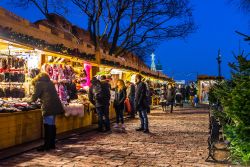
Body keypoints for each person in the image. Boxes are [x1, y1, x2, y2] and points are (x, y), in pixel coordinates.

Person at [30, 72, 64, 151]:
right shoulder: (50, 83)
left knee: (48, 125)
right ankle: (52, 144)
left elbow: (34, 97)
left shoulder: (39, 83)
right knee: (52, 125)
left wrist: (26, 100)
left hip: (48, 106)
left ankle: (47, 145)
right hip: (55, 106)